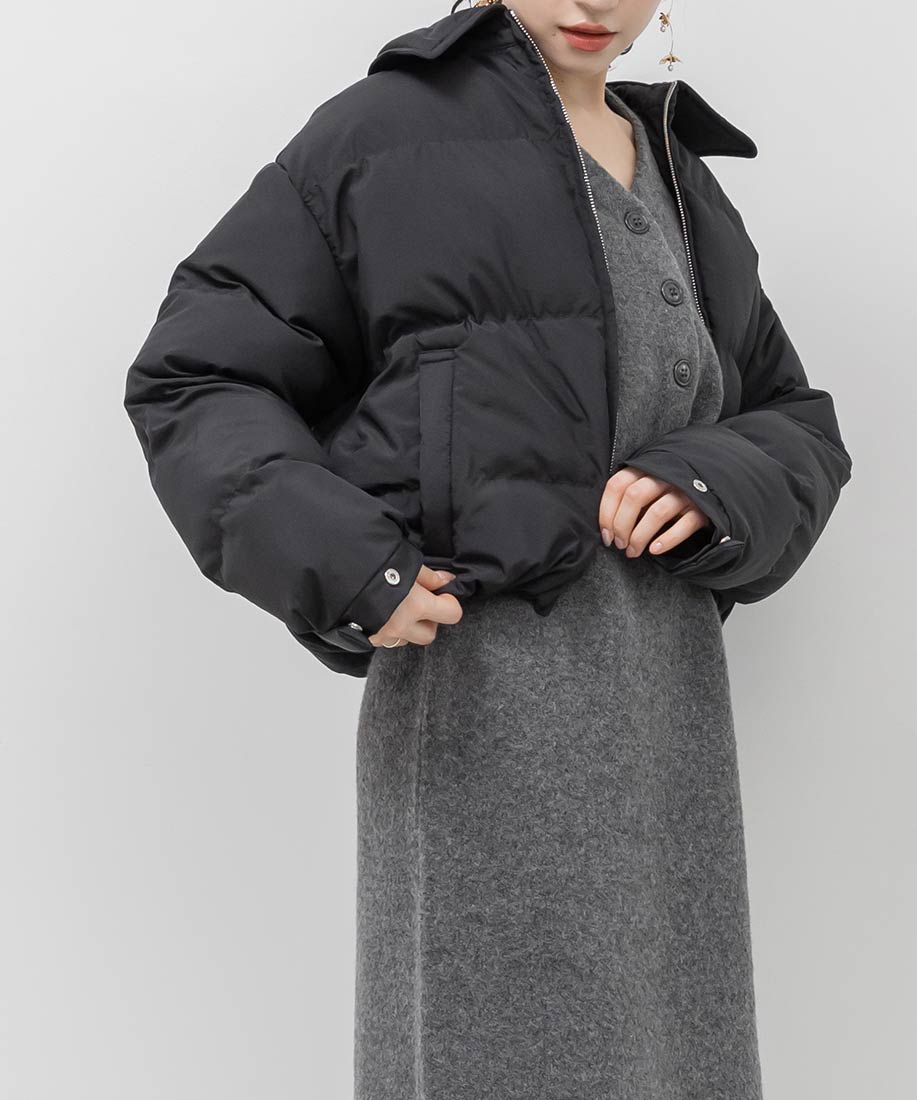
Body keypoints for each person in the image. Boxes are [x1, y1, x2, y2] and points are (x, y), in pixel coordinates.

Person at [123, 2, 853, 1097]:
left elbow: (794, 419)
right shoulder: (379, 133)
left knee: (674, 1052)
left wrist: (705, 480)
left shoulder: (678, 170)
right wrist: (349, 565)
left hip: (672, 713)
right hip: (480, 704)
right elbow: (195, 377)